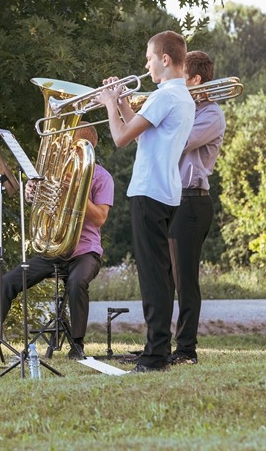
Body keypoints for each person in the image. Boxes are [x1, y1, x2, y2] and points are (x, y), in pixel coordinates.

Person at [0, 125, 114, 361]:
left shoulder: (102, 177)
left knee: (76, 283)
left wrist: (75, 192)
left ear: (89, 150)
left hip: (85, 252)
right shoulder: (55, 173)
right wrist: (32, 193)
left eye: (76, 150)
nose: (69, 155)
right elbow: (39, 205)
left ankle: (78, 344)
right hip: (53, 249)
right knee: (8, 281)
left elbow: (101, 217)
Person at [96, 30, 195, 373]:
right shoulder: (180, 97)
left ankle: (154, 357)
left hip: (149, 191)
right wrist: (122, 101)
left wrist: (109, 103)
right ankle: (157, 349)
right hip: (166, 191)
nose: (146, 65)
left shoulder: (164, 96)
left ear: (165, 60)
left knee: (153, 278)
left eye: (150, 58)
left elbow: (121, 138)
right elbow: (143, 135)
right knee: (161, 276)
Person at [168, 51, 226, 366]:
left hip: (192, 201)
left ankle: (187, 350)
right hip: (170, 199)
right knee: (163, 277)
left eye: (180, 76)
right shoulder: (181, 107)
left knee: (184, 279)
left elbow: (177, 141)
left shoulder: (211, 113)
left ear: (195, 80)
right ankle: (159, 345)